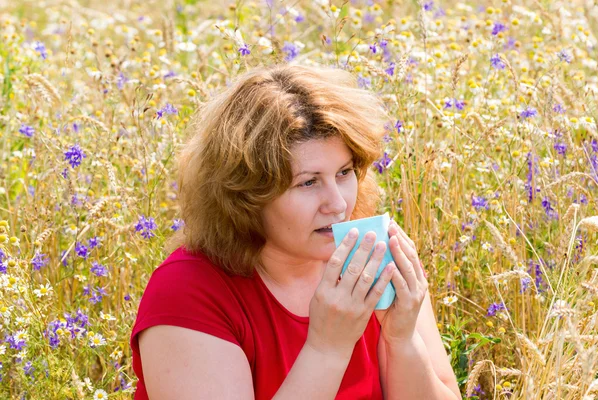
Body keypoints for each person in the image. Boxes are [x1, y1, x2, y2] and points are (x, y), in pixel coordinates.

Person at [129, 64, 461, 399]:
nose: (337, 204)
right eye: (308, 182)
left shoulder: (372, 254)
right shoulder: (189, 292)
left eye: (344, 172)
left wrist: (401, 341)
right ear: (246, 194)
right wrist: (327, 350)